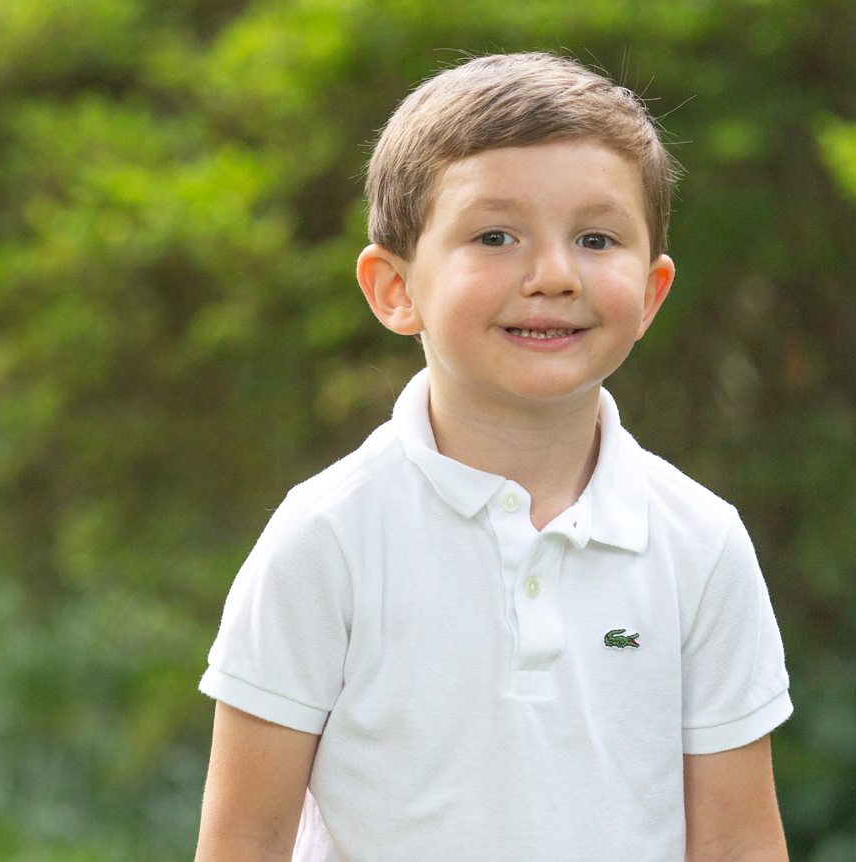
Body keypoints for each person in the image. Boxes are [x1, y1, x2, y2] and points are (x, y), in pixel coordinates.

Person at [193, 52, 792, 861]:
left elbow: (737, 844)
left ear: (651, 294)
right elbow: (245, 840)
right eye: (495, 236)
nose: (553, 275)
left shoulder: (701, 545)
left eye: (595, 237)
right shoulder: (327, 538)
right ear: (395, 289)